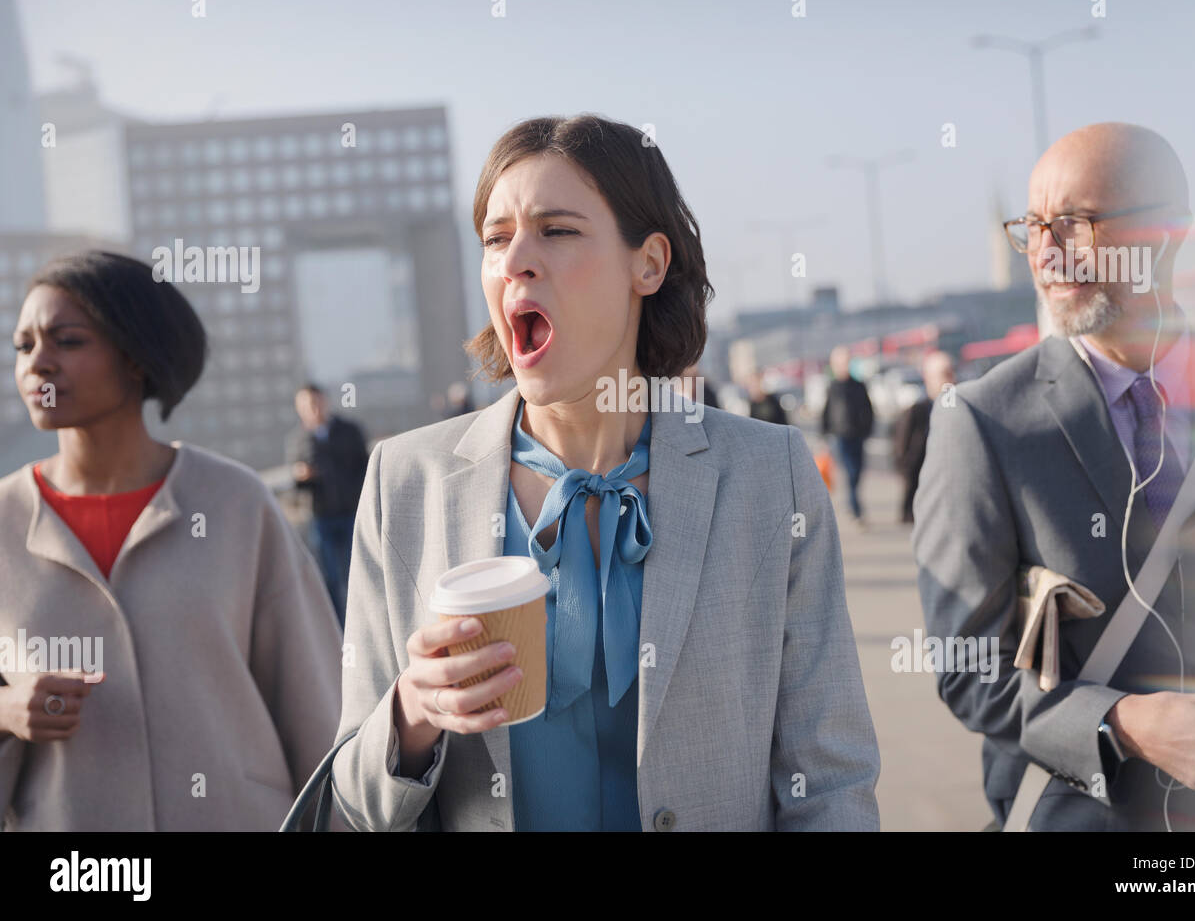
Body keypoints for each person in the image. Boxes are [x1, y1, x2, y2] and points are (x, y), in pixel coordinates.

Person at [330, 114, 880, 831]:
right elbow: (355, 799)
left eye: (556, 230)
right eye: (497, 239)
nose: (517, 260)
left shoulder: (769, 477)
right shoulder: (405, 483)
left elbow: (831, 782)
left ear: (648, 264)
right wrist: (412, 712)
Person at [913, 123, 1195, 830]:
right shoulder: (984, 421)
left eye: (1075, 224)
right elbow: (967, 668)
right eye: (1033, 226)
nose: (1045, 252)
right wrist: (1124, 722)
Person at [0, 251, 342, 830]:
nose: (39, 364)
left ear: (134, 356)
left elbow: (317, 707)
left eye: (67, 340)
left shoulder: (236, 503)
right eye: (24, 345)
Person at [288, 384, 369, 626]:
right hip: (321, 516)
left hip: (352, 513)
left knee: (358, 571)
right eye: (306, 406)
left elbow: (364, 468)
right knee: (330, 577)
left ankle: (365, 623)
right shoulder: (298, 441)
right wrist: (302, 477)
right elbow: (298, 485)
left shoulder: (349, 430)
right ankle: (341, 630)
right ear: (299, 410)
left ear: (325, 401)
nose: (313, 410)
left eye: (316, 403)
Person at [892, 352, 954, 524]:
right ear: (928, 379)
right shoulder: (917, 410)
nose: (948, 380)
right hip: (920, 471)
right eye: (943, 375)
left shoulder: (958, 405)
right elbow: (902, 441)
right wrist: (902, 464)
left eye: (950, 373)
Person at [820, 345, 874, 528]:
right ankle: (856, 509)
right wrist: (824, 434)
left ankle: (851, 502)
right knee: (850, 472)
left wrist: (867, 429)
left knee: (857, 472)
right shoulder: (833, 387)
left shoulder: (859, 385)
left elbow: (868, 409)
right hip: (840, 435)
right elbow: (826, 411)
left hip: (857, 434)